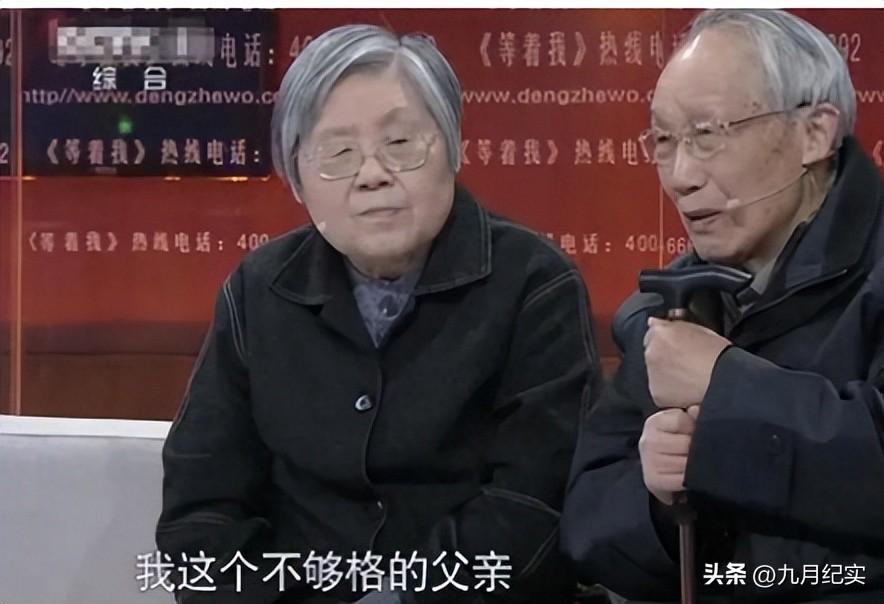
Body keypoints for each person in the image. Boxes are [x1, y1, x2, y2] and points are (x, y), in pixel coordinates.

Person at [157, 24, 599, 604]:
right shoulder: (258, 291)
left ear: (453, 147)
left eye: (400, 143)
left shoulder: (535, 284)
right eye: (338, 153)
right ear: (297, 179)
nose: (372, 174)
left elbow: (531, 507)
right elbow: (201, 512)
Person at [561, 9, 884, 603]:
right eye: (664, 142)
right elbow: (588, 528)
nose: (680, 176)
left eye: (707, 134)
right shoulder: (667, 309)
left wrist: (726, 386)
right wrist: (659, 504)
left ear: (814, 133)